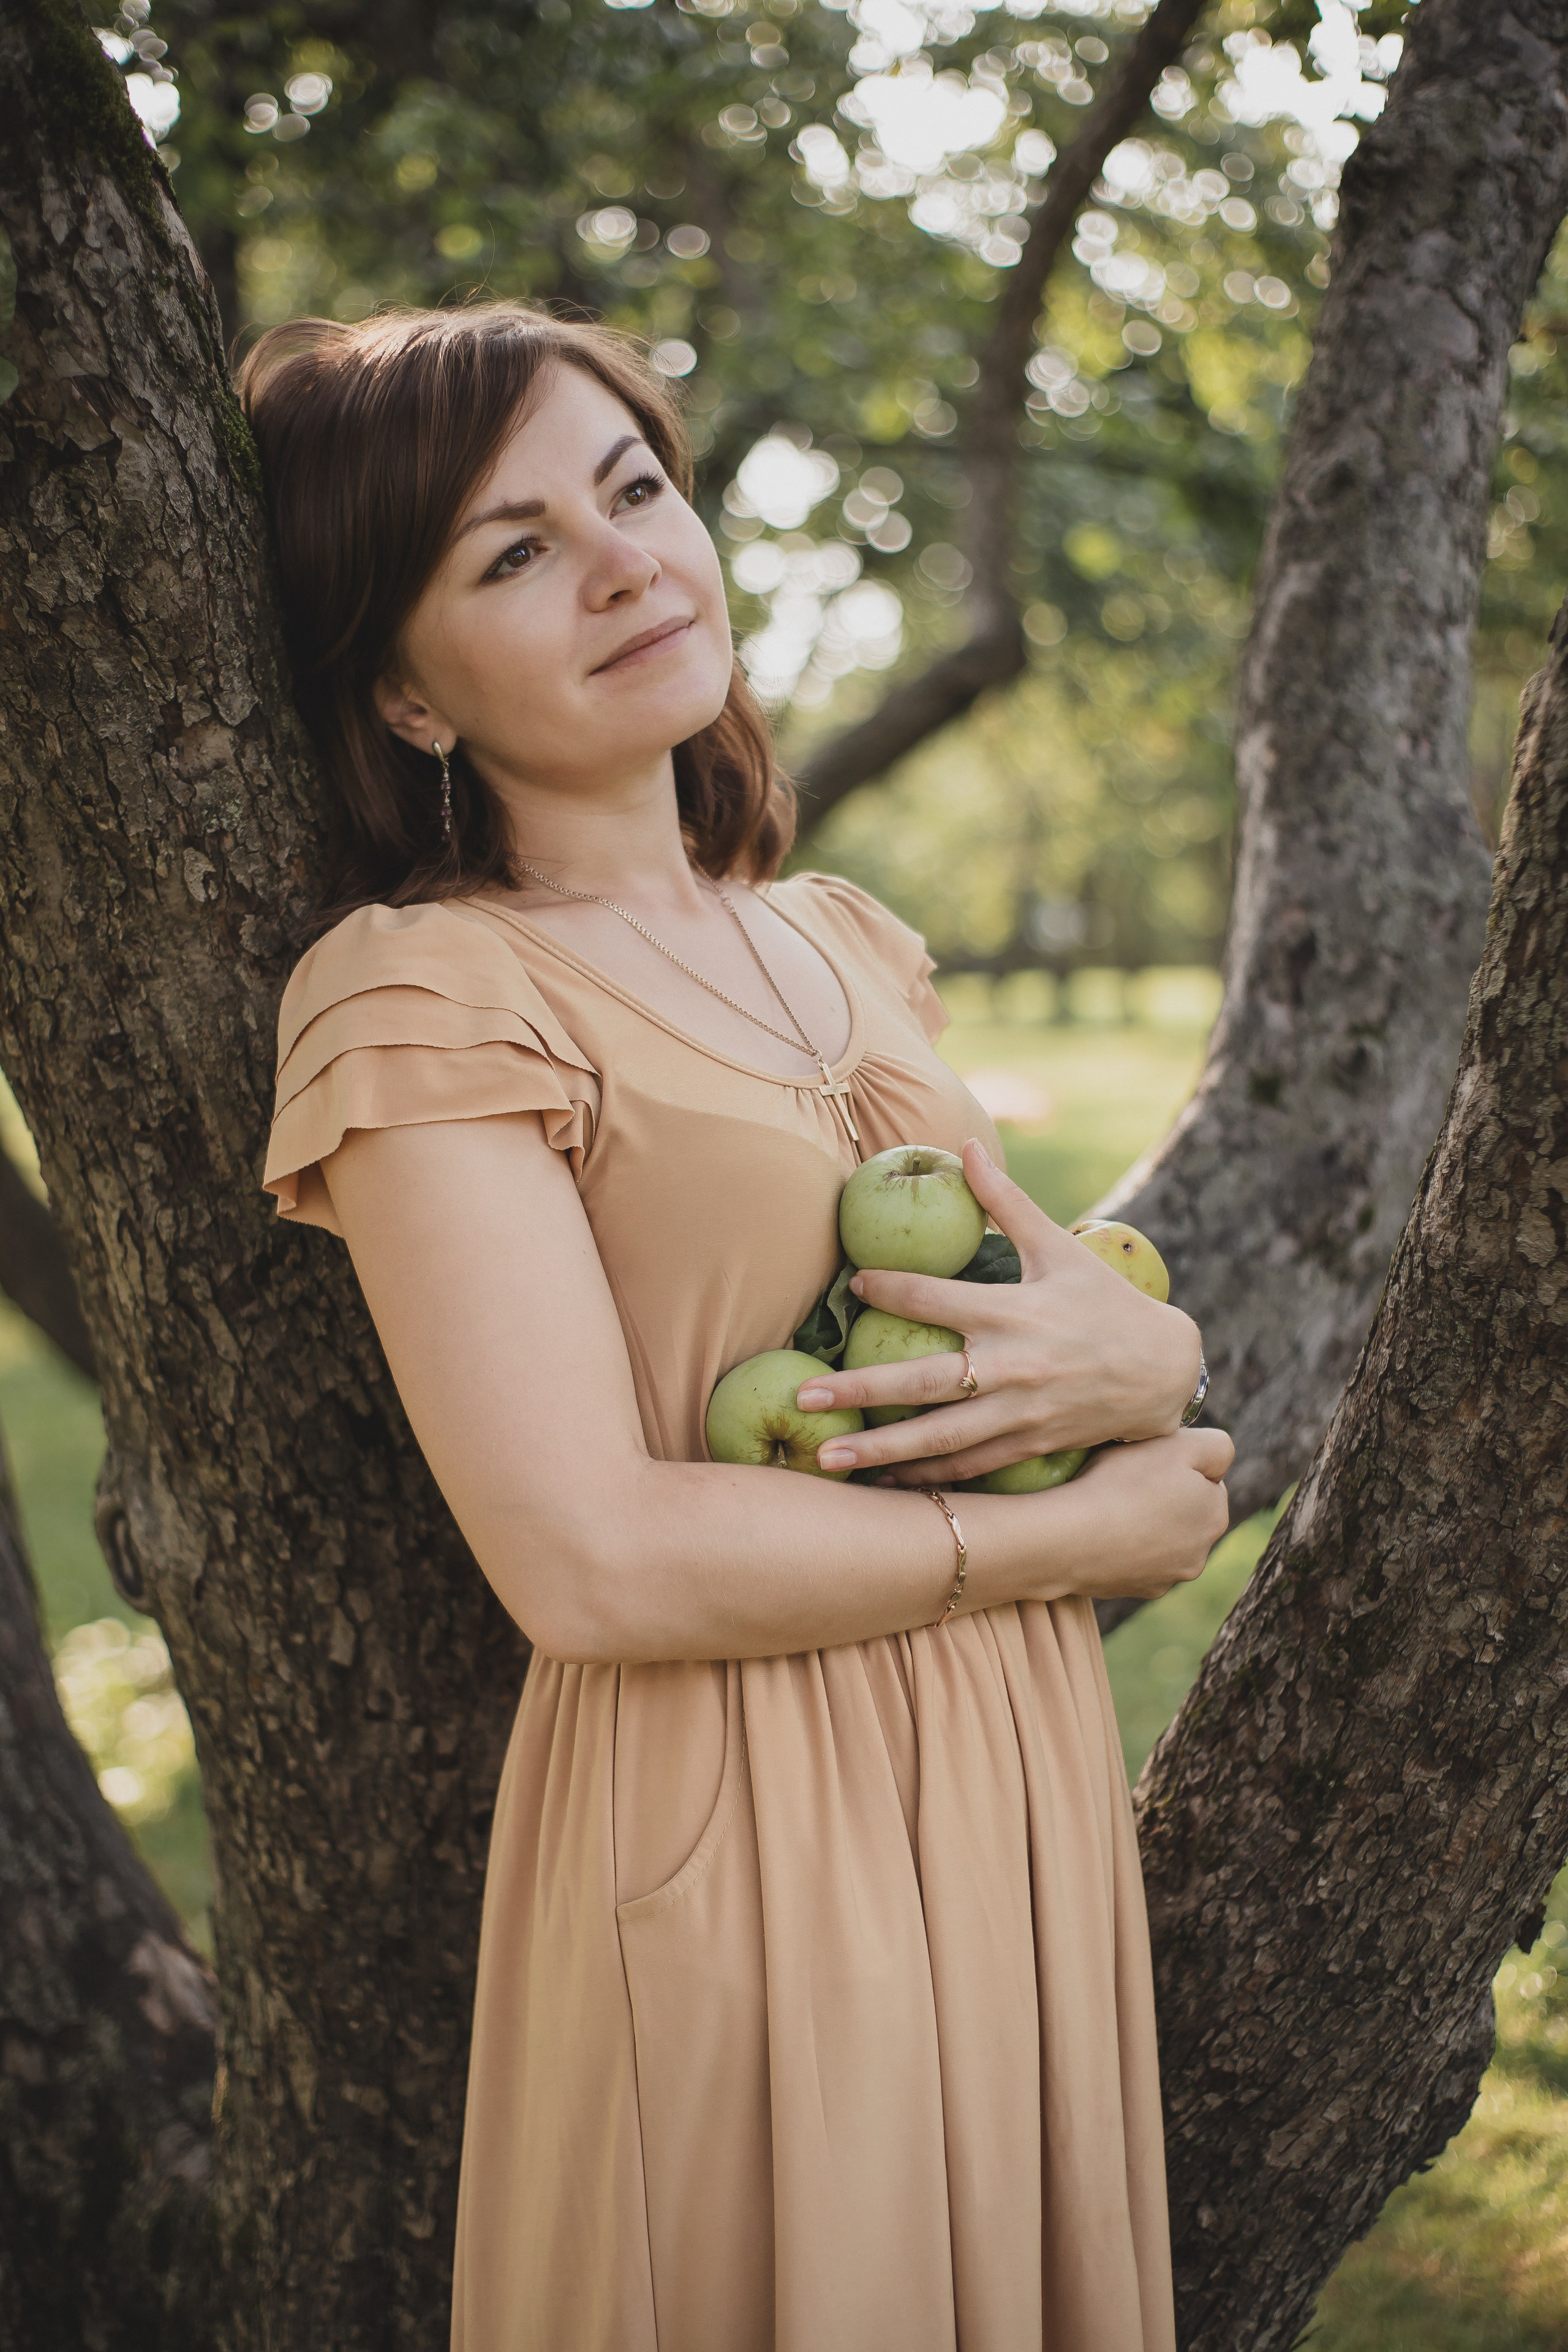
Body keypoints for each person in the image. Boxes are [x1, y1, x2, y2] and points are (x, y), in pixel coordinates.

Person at [241, 303, 1232, 2352]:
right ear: (408, 692)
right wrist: (1083, 1536)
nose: (624, 565)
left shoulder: (847, 940)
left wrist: (1158, 1369)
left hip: (1012, 1776)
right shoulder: (423, 993)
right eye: (514, 552)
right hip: (736, 1805)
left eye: (634, 491)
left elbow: (1011, 1326)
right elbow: (589, 1556)